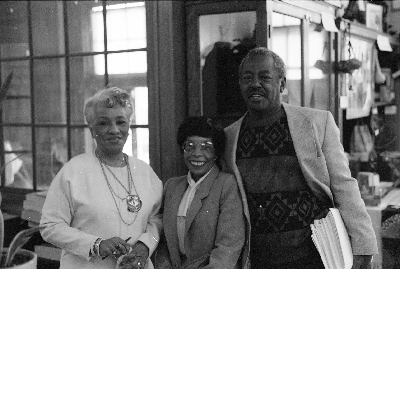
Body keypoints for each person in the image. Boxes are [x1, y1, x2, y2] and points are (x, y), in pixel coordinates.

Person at [221, 47, 378, 269]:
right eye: (248, 78)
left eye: (265, 77)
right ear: (240, 85)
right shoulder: (229, 137)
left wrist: (363, 244)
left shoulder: (317, 123)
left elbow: (344, 185)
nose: (255, 84)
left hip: (316, 256)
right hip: (258, 260)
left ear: (282, 84)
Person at [40, 87, 162, 268]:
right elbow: (50, 226)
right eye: (104, 123)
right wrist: (96, 244)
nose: (114, 130)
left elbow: (156, 219)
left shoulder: (145, 172)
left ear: (129, 126)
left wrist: (145, 245)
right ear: (91, 129)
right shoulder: (73, 171)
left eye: (121, 122)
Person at [155, 116, 245, 268]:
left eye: (206, 147)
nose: (197, 154)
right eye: (190, 147)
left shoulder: (226, 184)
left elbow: (228, 247)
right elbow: (163, 242)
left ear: (216, 153)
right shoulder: (172, 186)